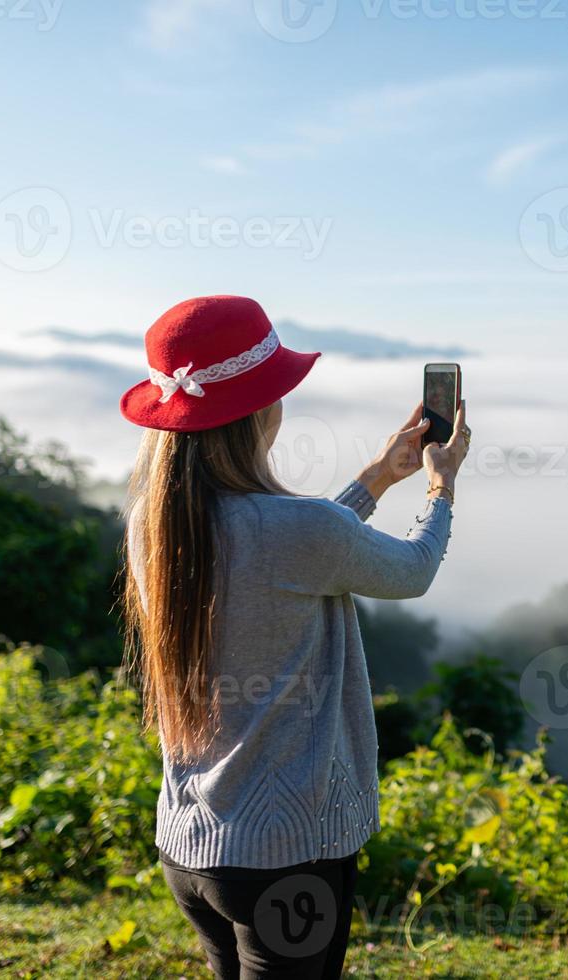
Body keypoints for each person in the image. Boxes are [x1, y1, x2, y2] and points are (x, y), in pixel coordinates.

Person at [118, 295, 469, 979]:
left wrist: (376, 477)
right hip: (285, 857)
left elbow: (283, 556)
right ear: (258, 411)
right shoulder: (297, 529)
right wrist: (439, 488)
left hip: (190, 848)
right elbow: (412, 570)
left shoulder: (154, 525)